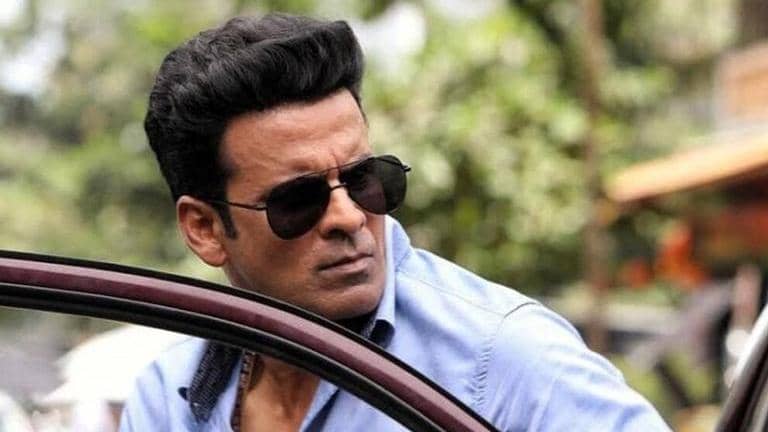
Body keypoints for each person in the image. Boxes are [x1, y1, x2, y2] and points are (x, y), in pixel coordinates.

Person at [119, 13, 670, 432]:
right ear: (205, 229)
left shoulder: (502, 358)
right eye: (298, 201)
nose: (348, 216)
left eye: (364, 179)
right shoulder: (169, 400)